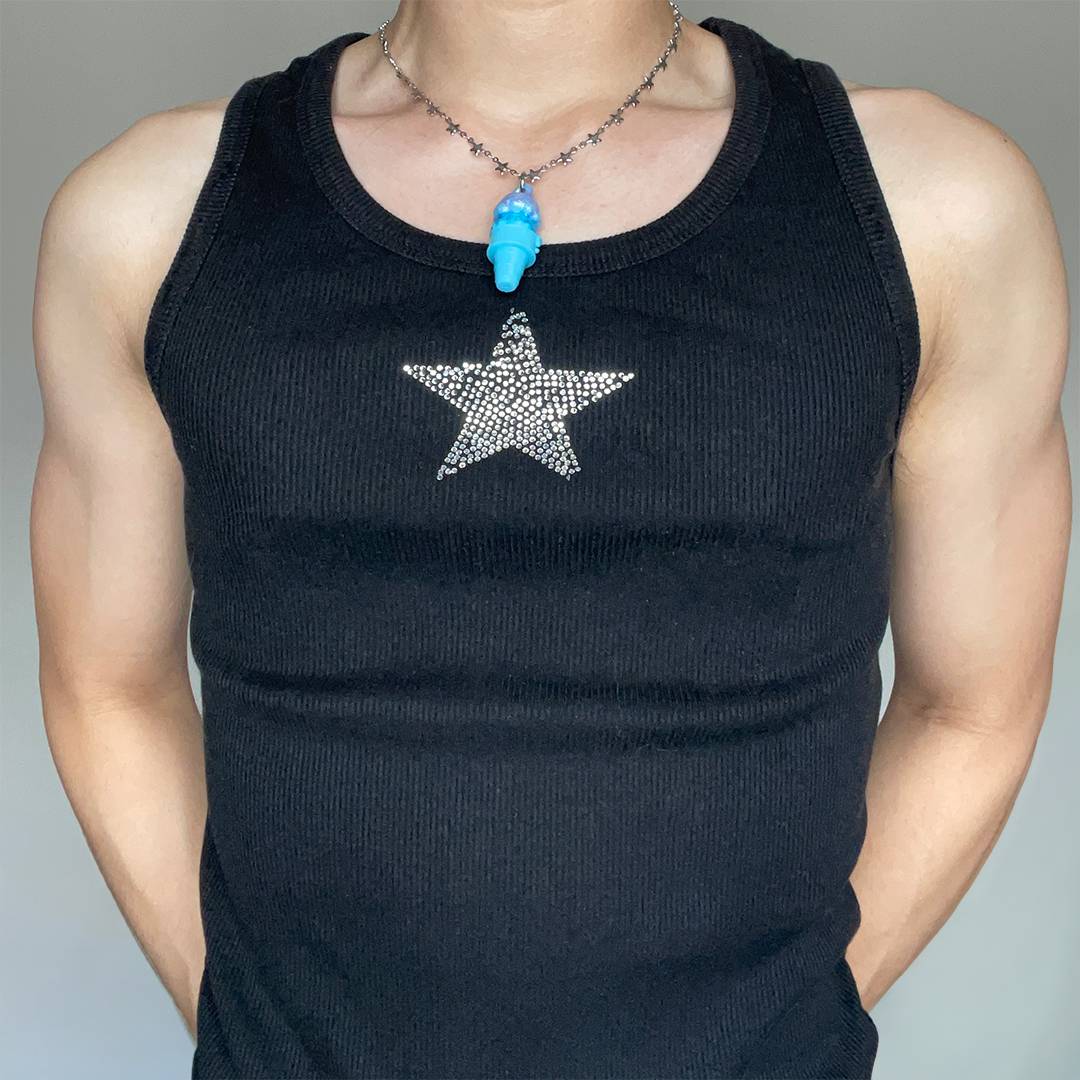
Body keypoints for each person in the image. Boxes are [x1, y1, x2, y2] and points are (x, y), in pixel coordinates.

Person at [30, 1, 1070, 1077]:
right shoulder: (146, 220)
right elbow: (107, 686)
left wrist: (779, 1029)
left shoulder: (936, 211)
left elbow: (973, 704)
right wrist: (253, 1029)